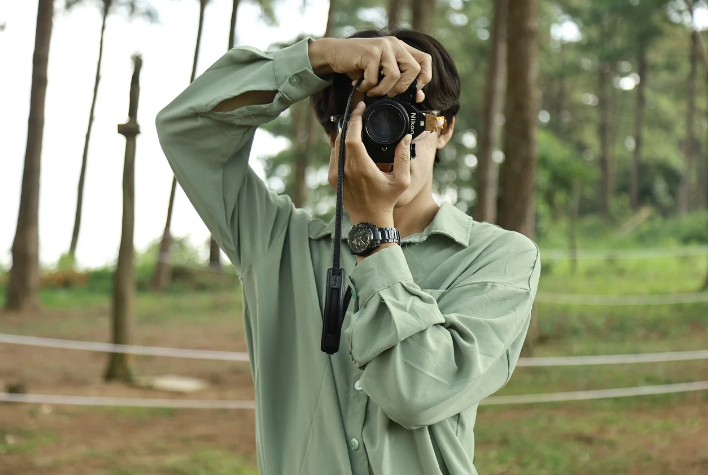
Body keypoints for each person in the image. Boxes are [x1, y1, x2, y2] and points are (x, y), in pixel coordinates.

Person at [156, 27, 541, 475]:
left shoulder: (500, 257)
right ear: (333, 135)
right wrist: (320, 58)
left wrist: (372, 231)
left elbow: (416, 392)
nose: (386, 134)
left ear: (445, 128)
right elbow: (186, 126)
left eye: (406, 115)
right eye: (360, 118)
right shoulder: (276, 242)